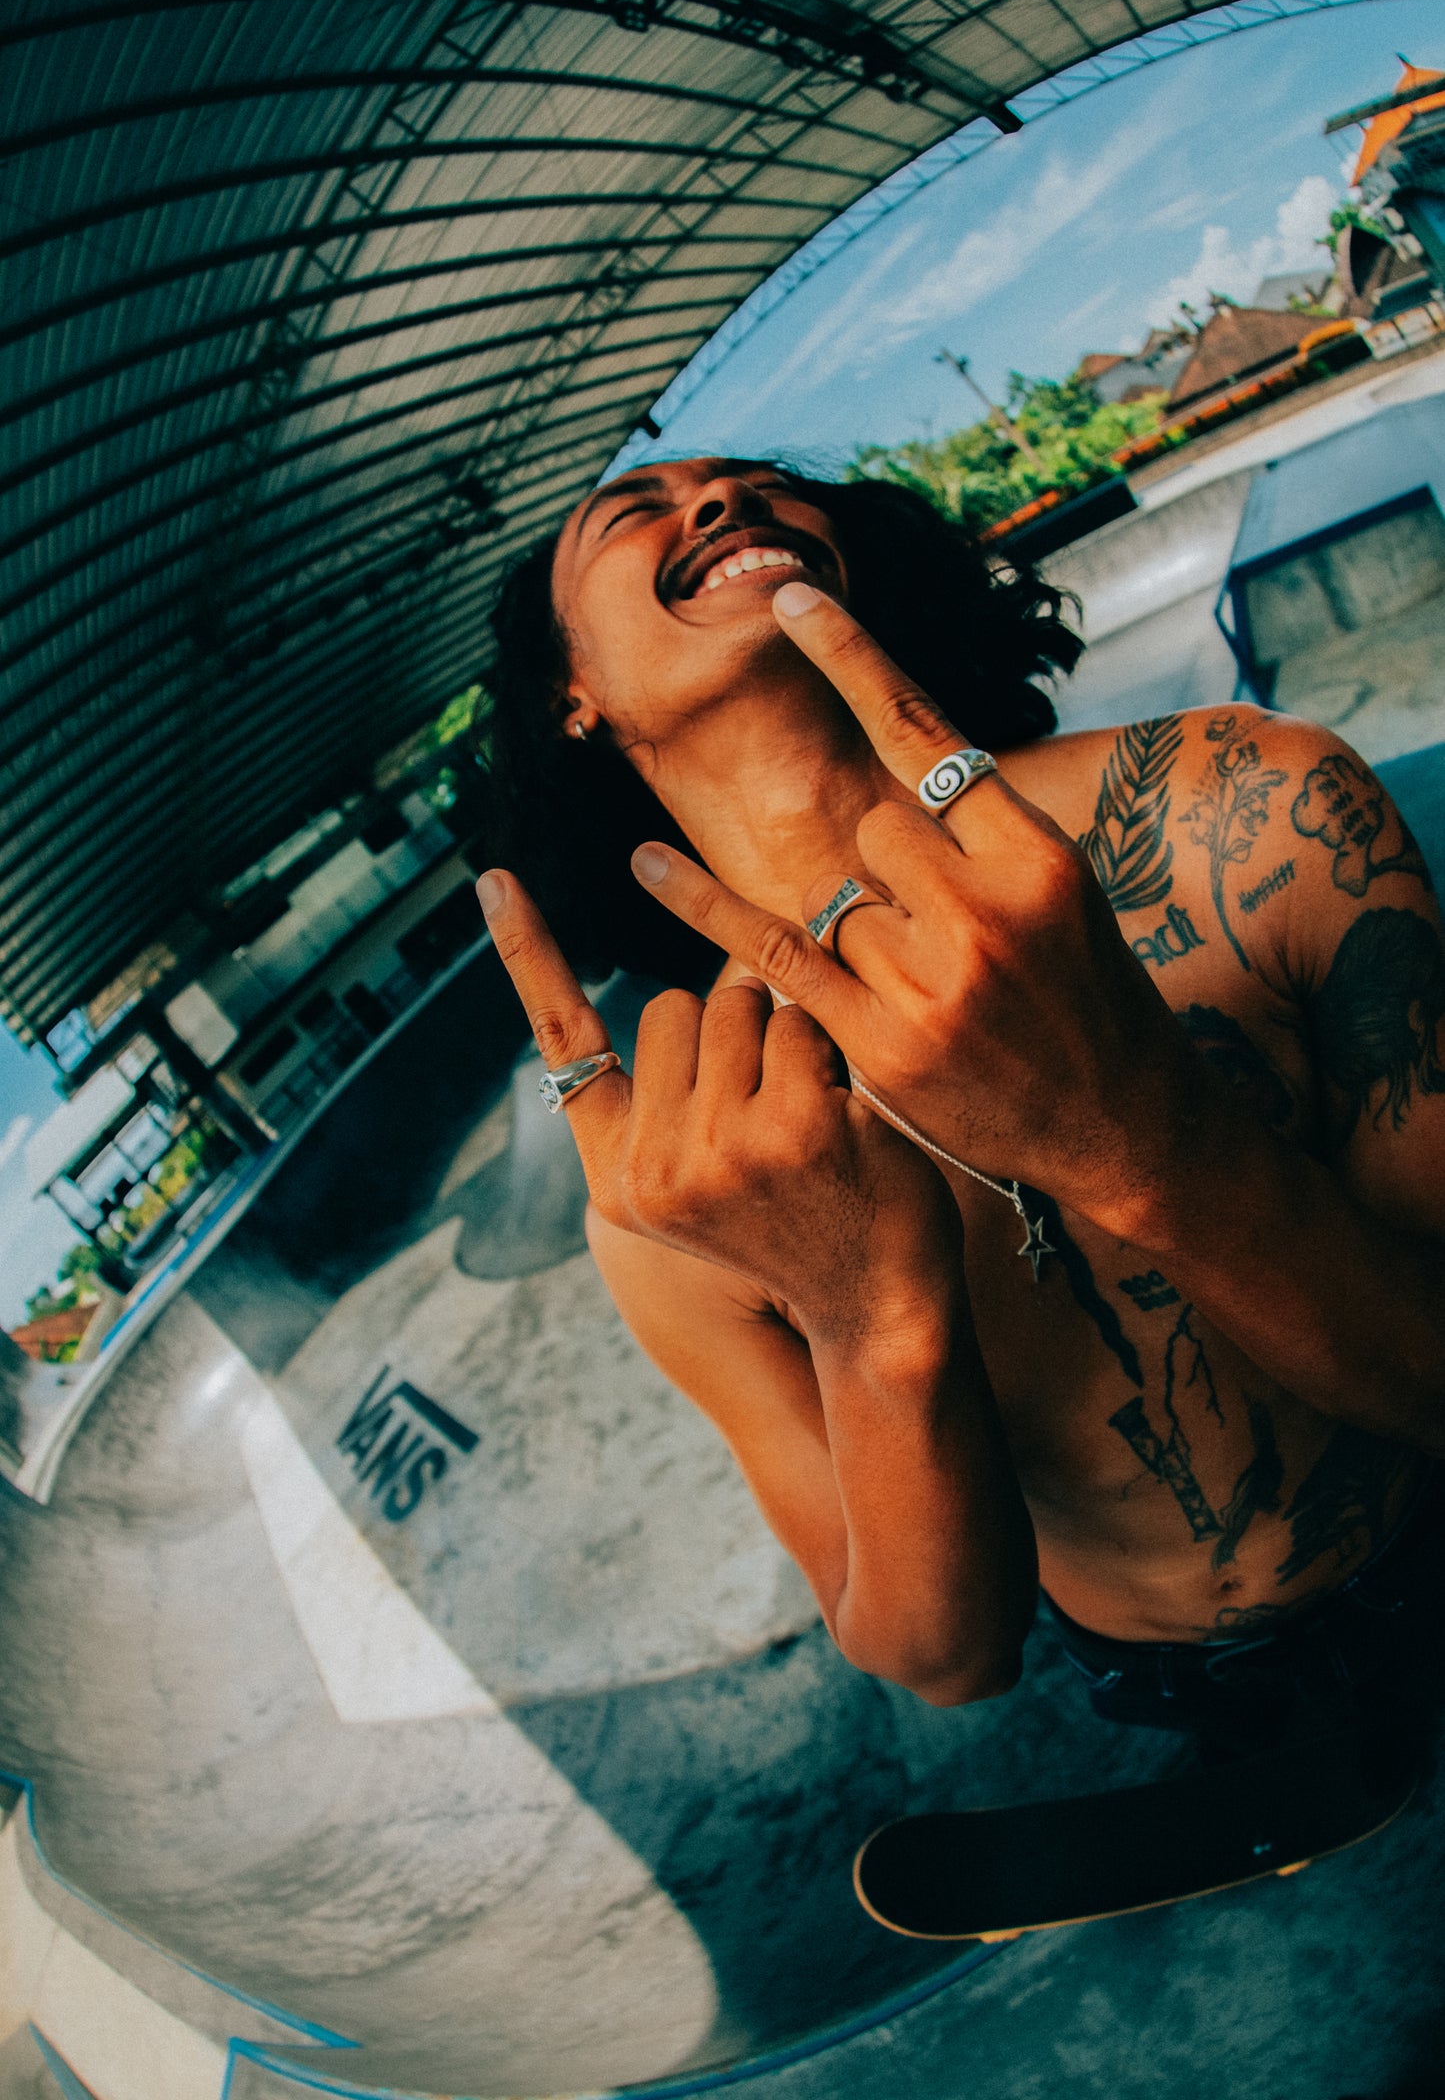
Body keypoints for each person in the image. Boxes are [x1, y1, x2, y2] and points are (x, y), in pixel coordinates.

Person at [476, 456, 1445, 1759]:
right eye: (636, 509)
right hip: (1172, 1691)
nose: (719, 505)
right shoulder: (679, 1170)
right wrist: (868, 1324)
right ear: (568, 691)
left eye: (758, 486)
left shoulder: (1249, 804)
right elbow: (942, 1659)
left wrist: (1137, 1141)